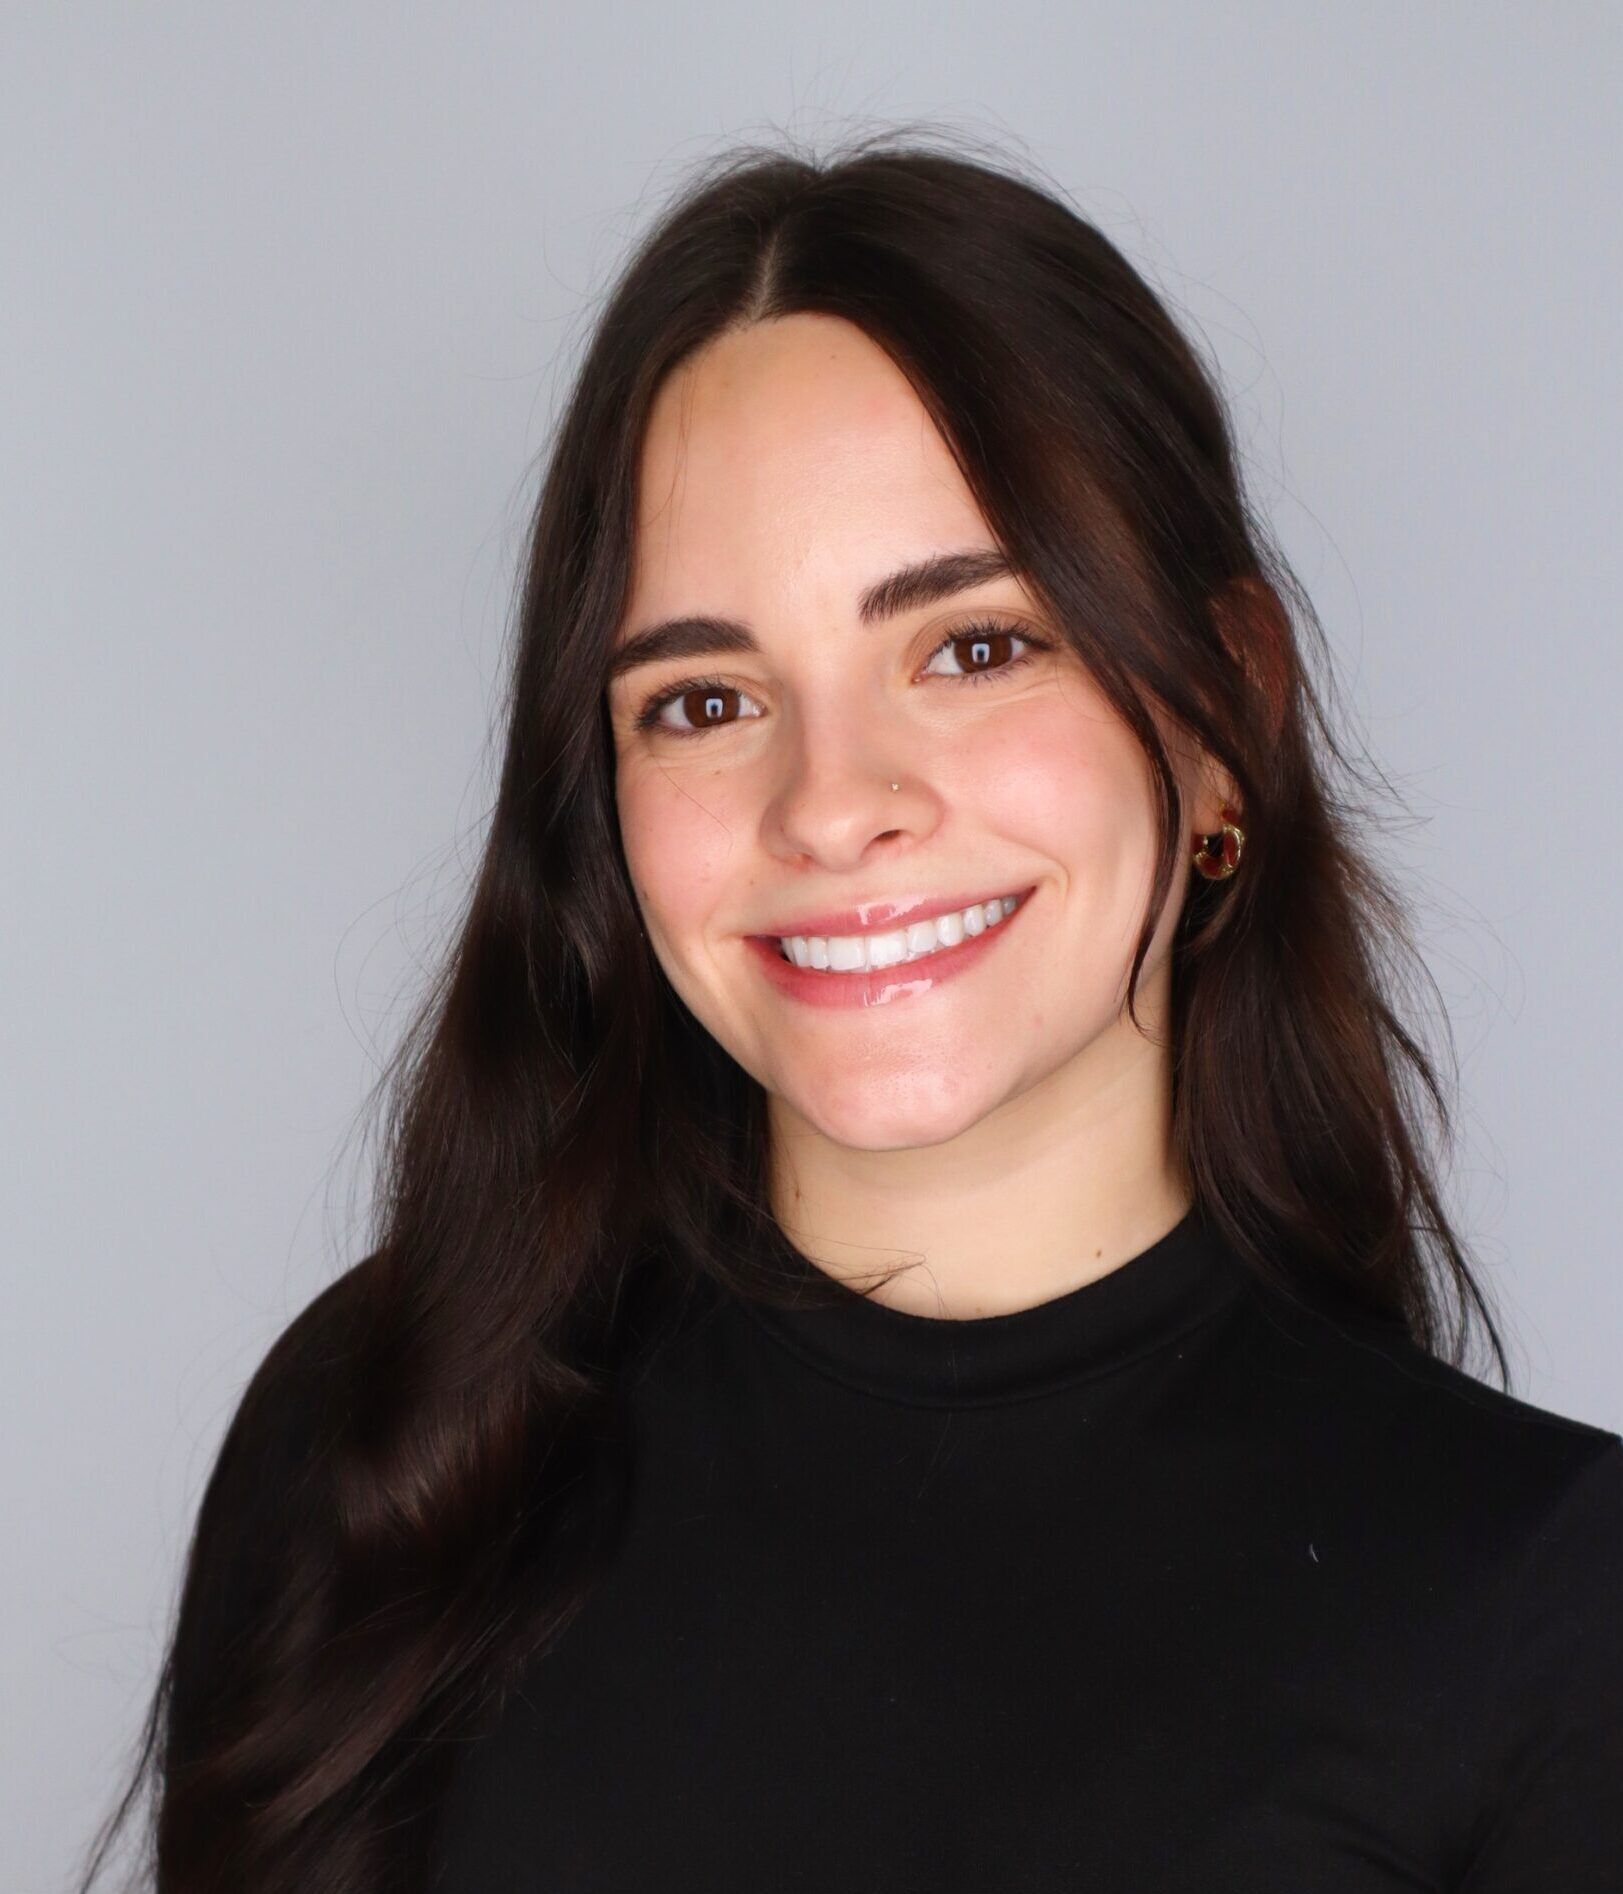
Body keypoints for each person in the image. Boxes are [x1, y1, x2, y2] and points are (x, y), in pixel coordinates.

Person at [82, 135, 1623, 1894]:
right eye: (708, 695)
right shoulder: (386, 1449)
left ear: (1224, 721)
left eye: (973, 648)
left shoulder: (1544, 1609)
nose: (832, 804)